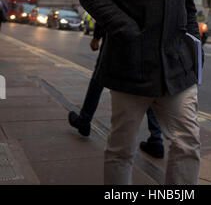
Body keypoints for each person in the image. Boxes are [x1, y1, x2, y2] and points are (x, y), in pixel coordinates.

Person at [79, 0, 202, 185]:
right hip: (130, 65)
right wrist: (126, 29)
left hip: (175, 67)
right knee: (122, 148)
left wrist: (192, 45)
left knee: (188, 143)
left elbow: (188, 5)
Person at [68, 23, 165, 157]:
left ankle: (84, 120)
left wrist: (96, 37)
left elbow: (109, 6)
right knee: (147, 84)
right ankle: (156, 138)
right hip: (149, 38)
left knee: (99, 77)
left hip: (118, 37)